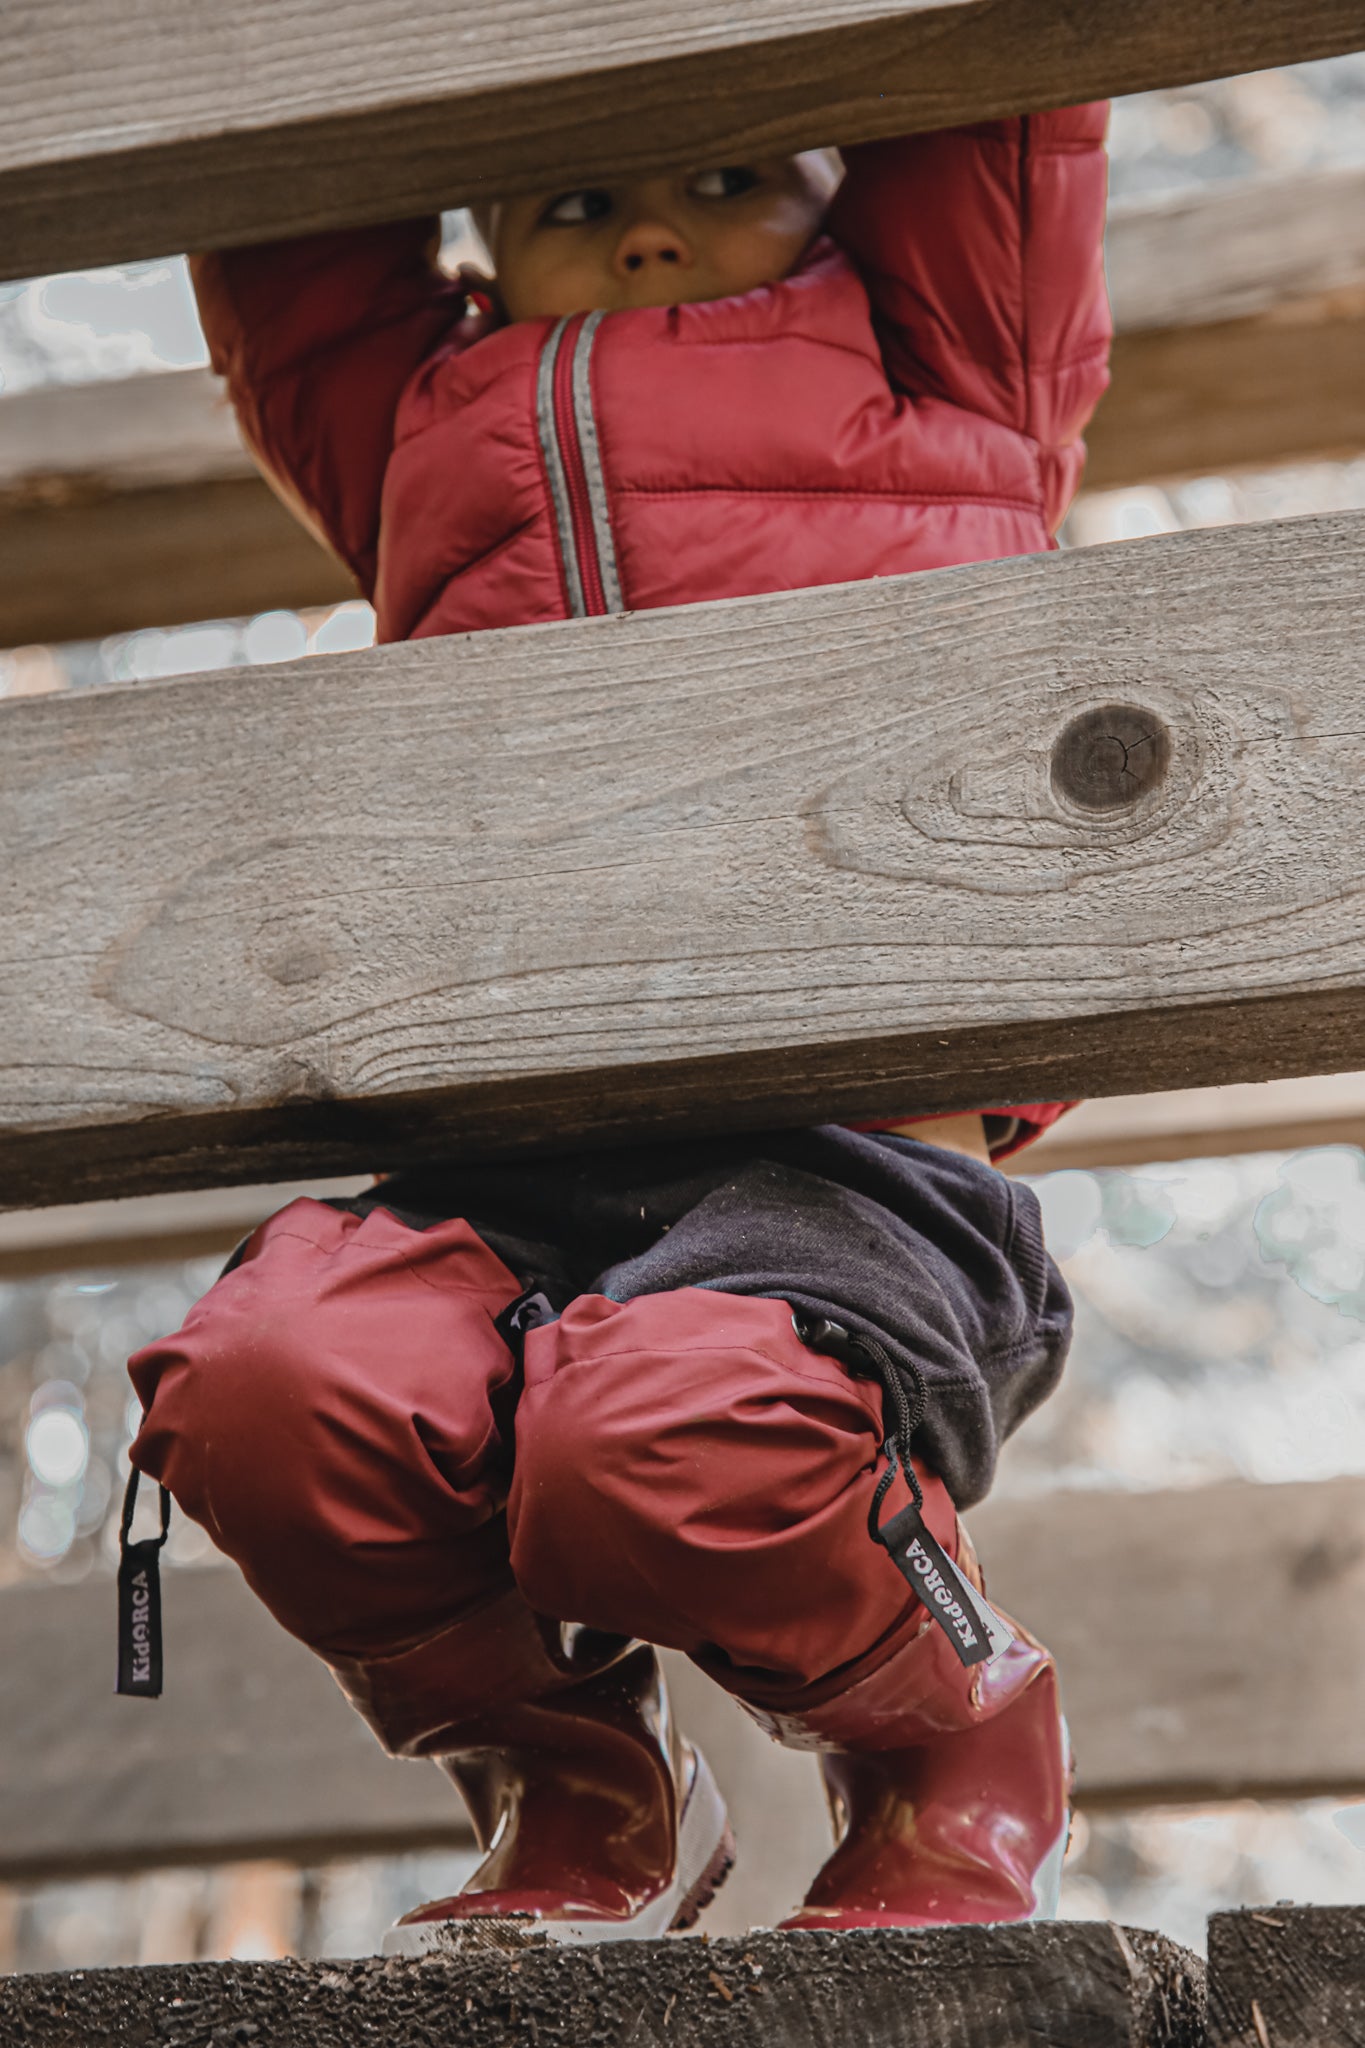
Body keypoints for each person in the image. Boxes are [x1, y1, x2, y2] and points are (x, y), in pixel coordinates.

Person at [127, 107, 1111, 1948]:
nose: (651, 233)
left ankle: (953, 1739)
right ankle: (574, 1779)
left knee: (664, 1436)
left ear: (837, 194)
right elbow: (274, 209)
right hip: (510, 1133)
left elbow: (1000, 111)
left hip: (848, 1143)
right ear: (483, 250)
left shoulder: (942, 347)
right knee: (276, 1393)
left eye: (728, 179)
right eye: (578, 201)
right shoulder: (415, 418)